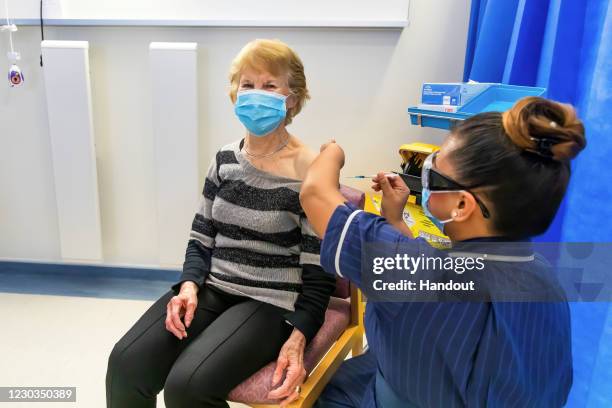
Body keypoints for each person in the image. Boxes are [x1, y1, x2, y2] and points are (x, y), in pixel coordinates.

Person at [300, 97, 586, 407]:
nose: (426, 182)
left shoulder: (420, 275)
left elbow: (315, 193)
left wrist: (332, 153)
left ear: (463, 205)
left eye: (434, 176)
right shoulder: (545, 279)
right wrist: (394, 220)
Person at [106, 39, 336, 408]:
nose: (255, 94)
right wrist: (189, 286)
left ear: (292, 98)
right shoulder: (225, 159)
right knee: (125, 365)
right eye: (247, 85)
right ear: (234, 93)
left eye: (270, 85)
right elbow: (201, 237)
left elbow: (319, 268)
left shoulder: (310, 170)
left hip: (272, 300)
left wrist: (300, 335)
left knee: (188, 386)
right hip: (214, 288)